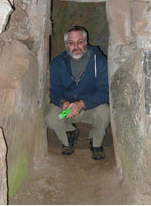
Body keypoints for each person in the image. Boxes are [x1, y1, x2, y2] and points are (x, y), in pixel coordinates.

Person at [46, 26, 110, 160]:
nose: (76, 46)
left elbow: (105, 91)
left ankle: (96, 143)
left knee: (105, 112)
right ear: (66, 45)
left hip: (90, 108)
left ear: (86, 42)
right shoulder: (58, 63)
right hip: (67, 111)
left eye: (79, 42)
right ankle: (69, 133)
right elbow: (54, 91)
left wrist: (82, 104)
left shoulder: (99, 61)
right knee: (52, 117)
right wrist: (62, 102)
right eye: (71, 43)